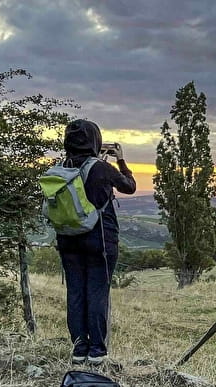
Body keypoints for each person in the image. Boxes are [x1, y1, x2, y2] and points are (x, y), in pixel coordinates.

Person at [56, 119, 137, 365]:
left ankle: (79, 348)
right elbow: (129, 187)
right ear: (96, 140)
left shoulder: (61, 167)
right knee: (97, 292)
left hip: (68, 239)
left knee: (76, 292)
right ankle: (97, 351)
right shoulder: (101, 168)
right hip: (99, 240)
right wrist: (120, 160)